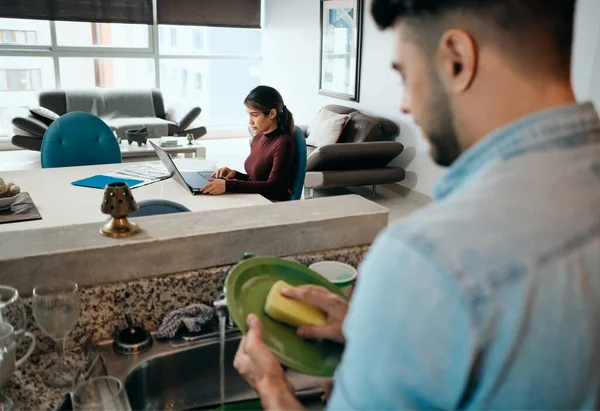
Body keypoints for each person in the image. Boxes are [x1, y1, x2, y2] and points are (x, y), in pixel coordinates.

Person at [233, 0, 600, 409]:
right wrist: (361, 325)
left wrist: (271, 386)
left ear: (457, 60)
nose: (405, 104)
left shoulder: (425, 258)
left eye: (405, 75)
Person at [200, 86, 296, 202]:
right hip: (254, 199)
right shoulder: (258, 137)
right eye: (249, 114)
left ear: (272, 114)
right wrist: (234, 174)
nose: (250, 121)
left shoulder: (283, 143)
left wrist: (228, 185)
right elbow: (256, 179)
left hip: (269, 204)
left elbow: (273, 188)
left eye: (254, 115)